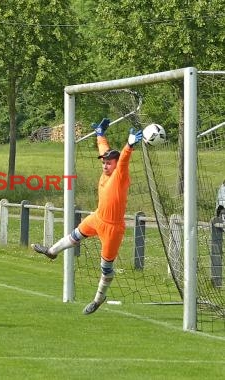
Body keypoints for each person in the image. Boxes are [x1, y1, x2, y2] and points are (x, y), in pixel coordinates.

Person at [31, 118, 143, 315]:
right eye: (104, 162)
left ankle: (98, 299)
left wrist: (129, 145)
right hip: (98, 218)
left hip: (113, 228)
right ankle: (52, 251)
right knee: (75, 235)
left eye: (109, 163)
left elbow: (123, 160)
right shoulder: (107, 170)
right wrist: (100, 134)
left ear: (115, 165)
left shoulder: (120, 175)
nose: (105, 165)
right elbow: (103, 149)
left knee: (105, 267)